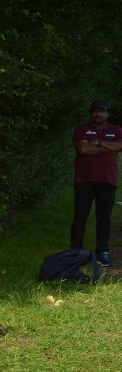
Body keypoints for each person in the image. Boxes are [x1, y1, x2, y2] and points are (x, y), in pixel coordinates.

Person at [70, 100, 122, 267]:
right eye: (94, 111)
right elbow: (83, 149)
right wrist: (110, 148)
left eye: (101, 111)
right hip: (85, 179)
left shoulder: (116, 129)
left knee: (104, 218)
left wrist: (98, 142)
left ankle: (102, 252)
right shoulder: (82, 129)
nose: (97, 114)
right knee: (80, 215)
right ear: (91, 113)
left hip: (108, 180)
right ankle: (76, 251)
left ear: (107, 114)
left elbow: (120, 146)